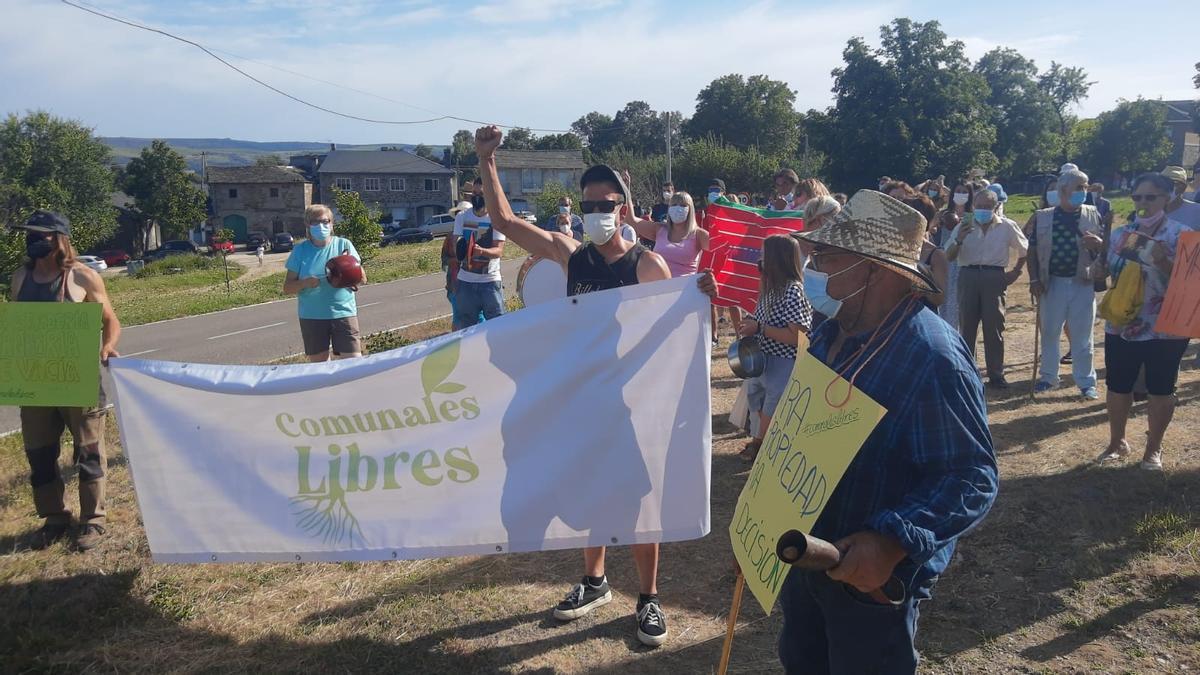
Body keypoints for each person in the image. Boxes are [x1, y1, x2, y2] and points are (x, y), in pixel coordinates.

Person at [474, 125, 718, 648]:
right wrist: (486, 160)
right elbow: (505, 222)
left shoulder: (646, 265)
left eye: (605, 203)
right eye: (588, 205)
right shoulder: (570, 255)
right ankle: (595, 581)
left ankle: (649, 597)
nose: (595, 213)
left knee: (637, 501)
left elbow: (678, 321)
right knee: (588, 491)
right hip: (582, 400)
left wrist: (702, 294)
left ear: (623, 209)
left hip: (633, 403)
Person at [778, 190, 997, 673]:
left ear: (873, 270)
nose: (813, 268)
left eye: (827, 257)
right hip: (807, 562)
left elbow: (971, 477)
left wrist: (890, 542)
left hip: (868, 582)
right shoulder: (829, 334)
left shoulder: (933, 357)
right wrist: (764, 525)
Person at [10, 211, 121, 551]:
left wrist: (107, 346)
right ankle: (54, 517)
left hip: (79, 379)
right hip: (35, 382)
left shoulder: (83, 278)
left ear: (59, 238)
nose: (32, 241)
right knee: (40, 453)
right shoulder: (18, 278)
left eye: (39, 234)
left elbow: (110, 320)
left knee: (87, 452)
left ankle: (93, 521)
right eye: (29, 234)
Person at [1096, 173, 1189, 470]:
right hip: (1123, 323)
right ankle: (1117, 442)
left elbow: (1190, 284)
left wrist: (1163, 260)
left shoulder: (1181, 235)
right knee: (1118, 385)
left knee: (1162, 388)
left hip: (1165, 327)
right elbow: (1109, 274)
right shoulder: (1121, 234)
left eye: (1151, 197)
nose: (1143, 203)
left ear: (1167, 199)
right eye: (1138, 197)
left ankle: (1153, 449)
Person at [1027, 169, 1104, 399]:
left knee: (1082, 334)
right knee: (1050, 331)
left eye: (1085, 186)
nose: (1083, 191)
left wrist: (1098, 244)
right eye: (1079, 187)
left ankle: (1086, 382)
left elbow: (1105, 250)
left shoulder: (1093, 214)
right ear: (1063, 190)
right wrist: (1033, 279)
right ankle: (1049, 377)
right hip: (1052, 283)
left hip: (1083, 281)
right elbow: (1032, 251)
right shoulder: (1044, 216)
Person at [736, 235, 812, 462]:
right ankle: (762, 441)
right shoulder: (770, 289)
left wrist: (759, 327)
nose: (760, 259)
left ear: (777, 259)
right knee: (756, 397)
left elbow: (797, 336)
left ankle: (762, 446)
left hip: (782, 360)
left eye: (764, 254)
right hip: (763, 358)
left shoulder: (793, 291)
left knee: (773, 403)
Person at [946, 188, 1029, 387]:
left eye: (987, 207)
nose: (982, 210)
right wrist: (960, 239)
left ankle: (996, 374)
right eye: (979, 206)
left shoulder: (1007, 226)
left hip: (994, 276)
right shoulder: (963, 226)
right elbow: (949, 256)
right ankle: (967, 372)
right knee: (967, 326)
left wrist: (1016, 271)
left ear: (996, 207)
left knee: (994, 326)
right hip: (969, 275)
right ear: (973, 206)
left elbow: (1024, 248)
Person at [283, 205, 364, 362]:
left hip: (343, 313)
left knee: (353, 362)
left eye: (325, 221)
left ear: (332, 223)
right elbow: (287, 288)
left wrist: (346, 273)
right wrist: (304, 283)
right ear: (307, 225)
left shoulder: (344, 245)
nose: (321, 226)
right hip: (313, 316)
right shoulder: (300, 250)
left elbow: (362, 279)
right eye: (315, 222)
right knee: (320, 368)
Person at [450, 181, 506, 328]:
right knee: (465, 330)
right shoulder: (461, 217)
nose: (476, 197)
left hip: (490, 281)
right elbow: (456, 245)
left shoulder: (496, 219)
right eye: (474, 194)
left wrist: (481, 251)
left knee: (498, 327)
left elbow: (499, 251)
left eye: (481, 194)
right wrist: (462, 250)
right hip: (466, 281)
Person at [629, 190, 710, 278]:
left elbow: (722, 250)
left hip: (686, 288)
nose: (678, 208)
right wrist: (626, 191)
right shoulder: (659, 229)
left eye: (683, 205)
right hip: (659, 287)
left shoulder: (698, 234)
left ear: (690, 209)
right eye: (674, 205)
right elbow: (631, 221)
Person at [934, 182, 975, 330]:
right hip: (946, 262)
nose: (961, 194)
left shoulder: (974, 215)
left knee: (962, 306)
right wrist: (936, 222)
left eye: (965, 191)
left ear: (970, 195)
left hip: (966, 262)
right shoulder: (943, 214)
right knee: (945, 303)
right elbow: (930, 230)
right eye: (958, 191)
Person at [901, 194, 949, 309]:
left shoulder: (936, 255)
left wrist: (922, 280)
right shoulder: (890, 246)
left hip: (921, 314)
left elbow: (939, 299)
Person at [1161, 166, 1200, 231]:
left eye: (1174, 183)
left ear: (1184, 187)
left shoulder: (1197, 211)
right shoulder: (1148, 210)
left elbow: (1193, 240)